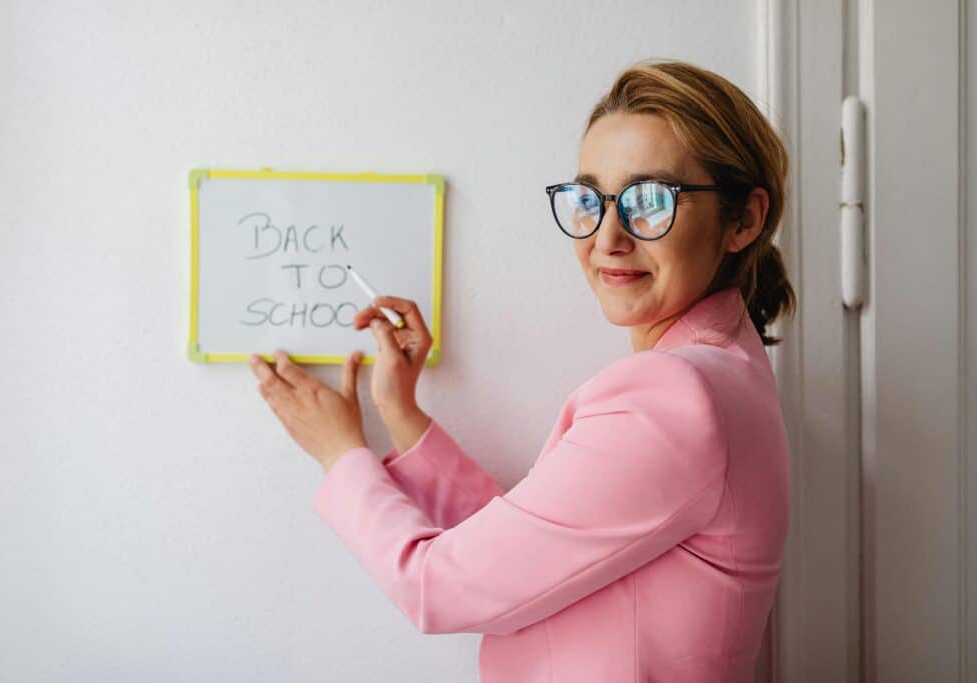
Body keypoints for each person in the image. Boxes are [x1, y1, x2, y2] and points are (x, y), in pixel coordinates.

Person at [248, 58, 796, 682]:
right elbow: (531, 546)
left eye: (650, 200)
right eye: (589, 199)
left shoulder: (675, 394)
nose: (607, 237)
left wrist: (340, 453)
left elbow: (441, 588)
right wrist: (401, 413)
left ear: (744, 220)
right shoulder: (725, 370)